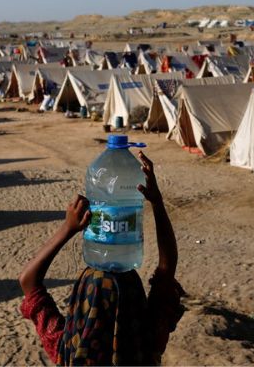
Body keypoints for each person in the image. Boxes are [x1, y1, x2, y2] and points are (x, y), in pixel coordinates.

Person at [19, 152, 184, 366]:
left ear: (80, 307)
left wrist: (67, 228)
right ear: (134, 304)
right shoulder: (146, 341)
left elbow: (28, 282)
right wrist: (157, 202)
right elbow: (166, 269)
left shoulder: (67, 349)